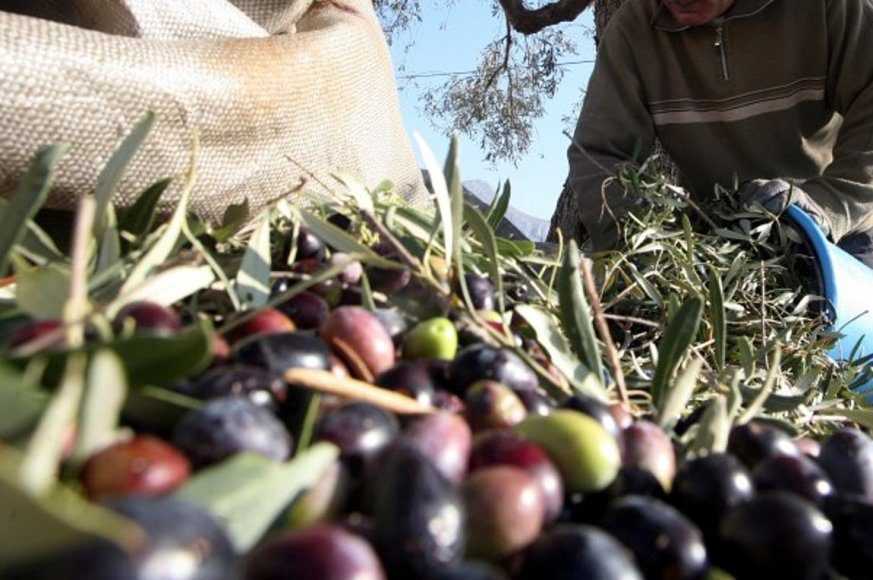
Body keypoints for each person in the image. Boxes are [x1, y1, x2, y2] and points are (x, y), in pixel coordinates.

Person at [548, 0, 873, 266]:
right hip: (717, 247)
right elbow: (598, 154)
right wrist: (655, 243)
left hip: (846, 234)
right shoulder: (633, 31)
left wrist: (827, 206)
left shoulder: (826, 7)